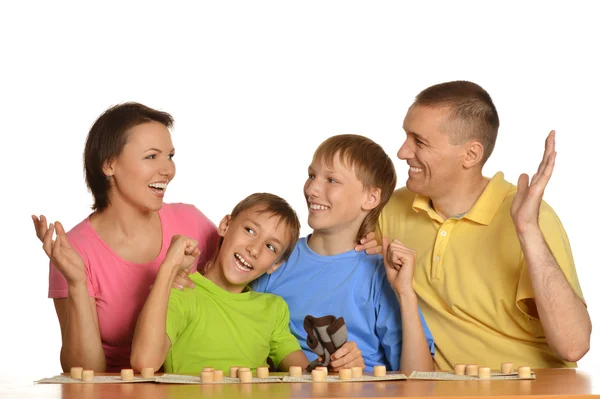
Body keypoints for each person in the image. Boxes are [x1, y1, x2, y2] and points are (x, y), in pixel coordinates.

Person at [359, 80, 590, 369]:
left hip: (532, 388)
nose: (403, 152)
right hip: (443, 389)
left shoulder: (532, 218)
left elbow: (573, 346)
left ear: (470, 154)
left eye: (419, 141)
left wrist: (527, 231)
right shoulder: (392, 208)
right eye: (406, 136)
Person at [32, 103, 219, 372]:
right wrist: (77, 284)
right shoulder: (72, 251)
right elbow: (87, 372)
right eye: (152, 156)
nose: (168, 169)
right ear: (109, 164)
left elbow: (243, 295)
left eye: (170, 156)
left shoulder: (193, 223)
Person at [253, 134, 435, 373]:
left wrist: (405, 294)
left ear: (370, 198)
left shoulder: (381, 276)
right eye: (311, 176)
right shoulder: (276, 257)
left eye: (332, 180)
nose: (312, 189)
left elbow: (421, 380)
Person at [130, 193, 310, 373]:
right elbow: (144, 362)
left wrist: (333, 363)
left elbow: (305, 372)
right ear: (225, 225)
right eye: (250, 230)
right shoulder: (181, 290)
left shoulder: (273, 309)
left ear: (276, 264)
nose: (254, 249)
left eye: (270, 247)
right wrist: (168, 268)